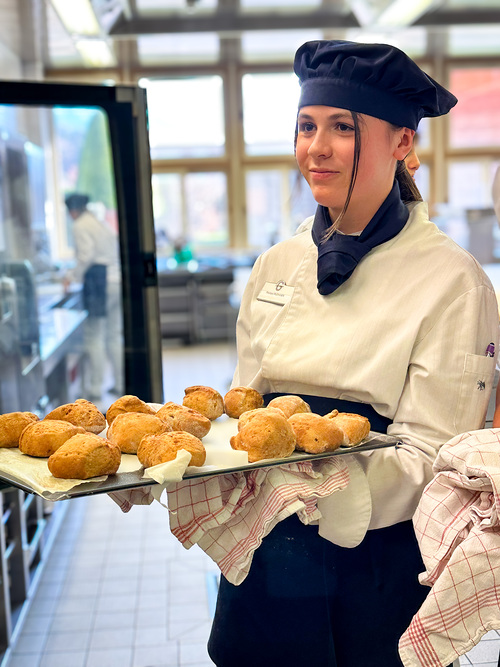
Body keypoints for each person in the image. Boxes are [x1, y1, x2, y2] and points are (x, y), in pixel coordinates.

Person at [206, 40, 499, 667]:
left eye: (343, 127)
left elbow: (435, 458)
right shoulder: (276, 265)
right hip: (263, 550)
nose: (317, 147)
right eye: (306, 126)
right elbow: (243, 410)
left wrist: (312, 489)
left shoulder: (453, 280)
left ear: (401, 142)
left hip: (375, 563)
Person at [64, 193, 123, 401]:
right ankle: (120, 383)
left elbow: (86, 255)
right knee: (114, 334)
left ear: (73, 210)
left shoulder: (80, 225)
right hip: (116, 280)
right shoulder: (100, 222)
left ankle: (96, 388)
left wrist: (71, 276)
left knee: (94, 335)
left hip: (99, 281)